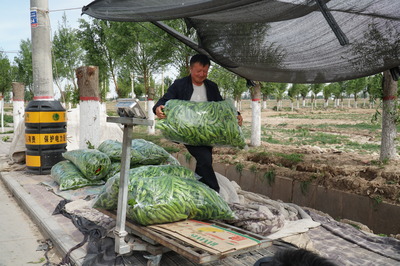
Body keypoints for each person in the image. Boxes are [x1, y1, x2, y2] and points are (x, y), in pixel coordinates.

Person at [153, 54, 243, 192]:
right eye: (199, 71)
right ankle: (214, 190)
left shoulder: (212, 86)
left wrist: (236, 115)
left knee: (205, 161)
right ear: (191, 69)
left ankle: (198, 190)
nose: (202, 74)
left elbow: (222, 106)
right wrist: (157, 108)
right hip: (187, 132)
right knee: (205, 159)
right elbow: (164, 101)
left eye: (205, 71)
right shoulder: (180, 84)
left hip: (208, 132)